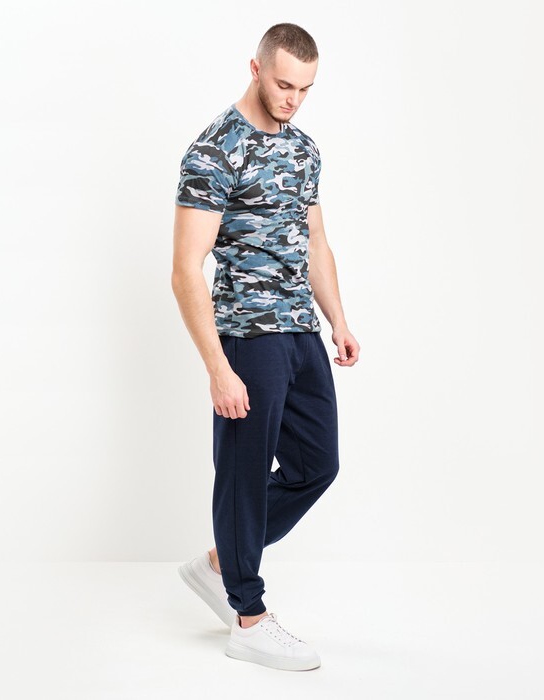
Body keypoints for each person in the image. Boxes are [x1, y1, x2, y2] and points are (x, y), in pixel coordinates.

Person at [171, 22, 360, 671]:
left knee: (317, 465)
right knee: (244, 476)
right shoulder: (213, 151)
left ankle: (221, 562)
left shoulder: (304, 150)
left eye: (304, 89)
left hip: (301, 332)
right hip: (247, 337)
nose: (292, 99)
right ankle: (247, 618)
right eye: (283, 85)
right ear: (255, 69)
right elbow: (185, 268)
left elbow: (316, 241)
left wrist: (337, 321)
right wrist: (217, 367)